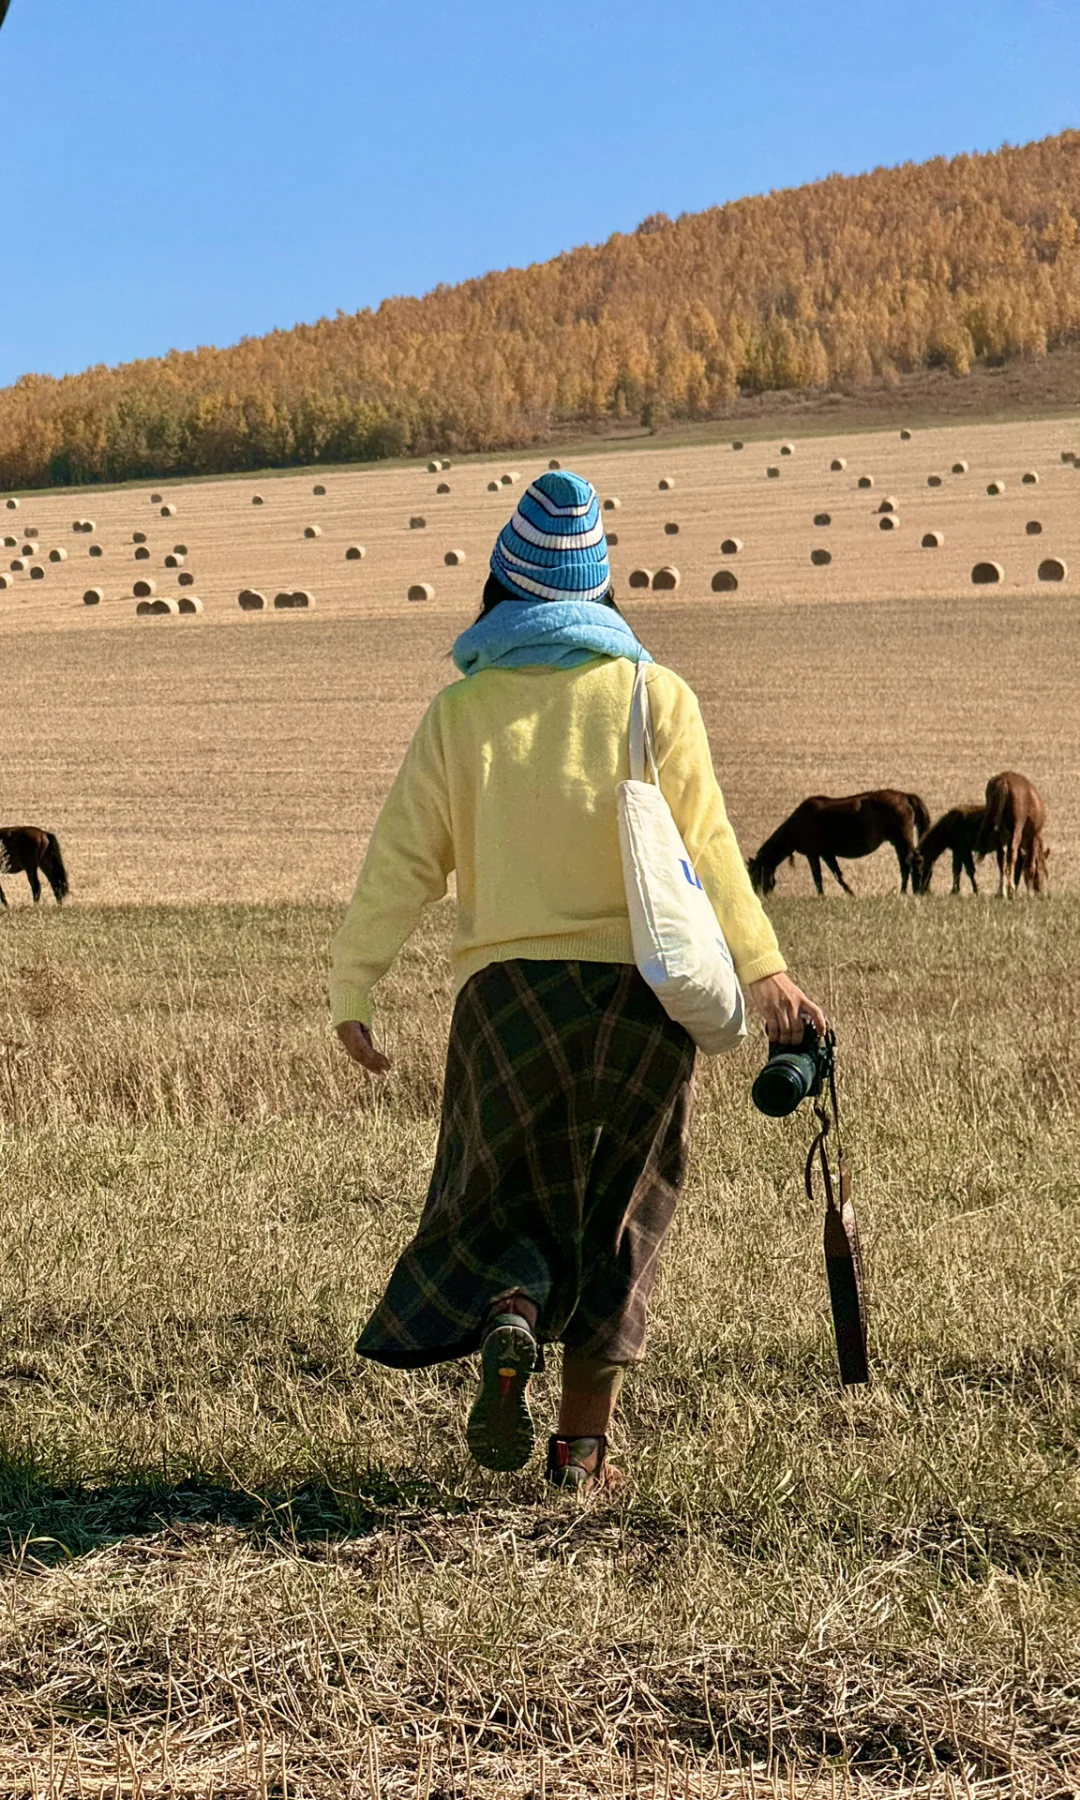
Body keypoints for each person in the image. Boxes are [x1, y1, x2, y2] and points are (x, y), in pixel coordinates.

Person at [330, 470, 826, 1494]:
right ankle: (580, 1456)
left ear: (503, 587)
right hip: (641, 1000)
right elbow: (712, 850)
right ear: (599, 588)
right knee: (622, 1212)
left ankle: (511, 1310)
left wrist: (355, 984)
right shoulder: (655, 696)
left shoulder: (461, 713)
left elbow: (400, 863)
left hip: (506, 1001)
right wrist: (766, 973)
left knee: (499, 1193)